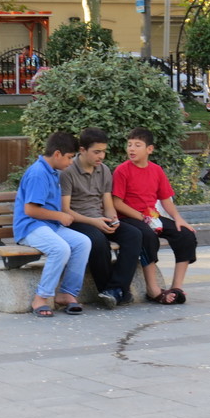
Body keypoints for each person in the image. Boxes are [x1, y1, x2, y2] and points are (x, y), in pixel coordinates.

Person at [112, 127, 197, 305]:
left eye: (137, 145)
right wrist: (142, 217)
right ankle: (153, 289)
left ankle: (176, 286)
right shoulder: (122, 170)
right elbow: (117, 202)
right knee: (148, 236)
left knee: (186, 235)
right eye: (129, 145)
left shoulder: (156, 170)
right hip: (130, 218)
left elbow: (166, 199)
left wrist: (178, 219)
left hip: (152, 217)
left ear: (149, 149)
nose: (131, 149)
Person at [60, 128, 142, 309]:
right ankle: (113, 290)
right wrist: (93, 222)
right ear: (82, 150)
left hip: (100, 220)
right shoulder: (68, 172)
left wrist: (113, 219)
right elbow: (66, 211)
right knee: (97, 240)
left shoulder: (104, 170)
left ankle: (114, 290)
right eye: (97, 152)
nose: (101, 156)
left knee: (133, 235)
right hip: (78, 222)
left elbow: (107, 204)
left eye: (104, 151)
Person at [13, 131, 92, 317]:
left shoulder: (52, 171)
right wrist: (59, 216)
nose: (71, 162)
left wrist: (57, 218)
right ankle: (40, 298)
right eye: (69, 157)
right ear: (57, 154)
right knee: (60, 249)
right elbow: (30, 210)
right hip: (30, 227)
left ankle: (66, 294)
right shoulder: (38, 173)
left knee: (83, 242)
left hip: (48, 226)